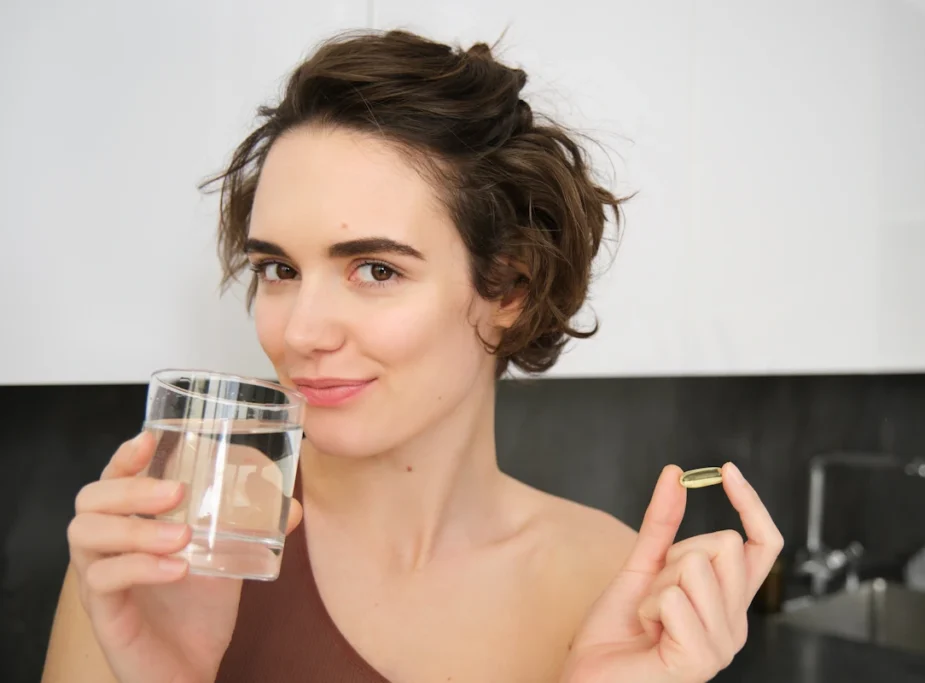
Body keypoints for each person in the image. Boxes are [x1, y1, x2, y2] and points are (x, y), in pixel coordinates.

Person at [41, 29, 783, 683]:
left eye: (376, 270)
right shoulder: (166, 543)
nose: (301, 331)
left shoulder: (613, 578)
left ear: (510, 287)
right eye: (279, 268)